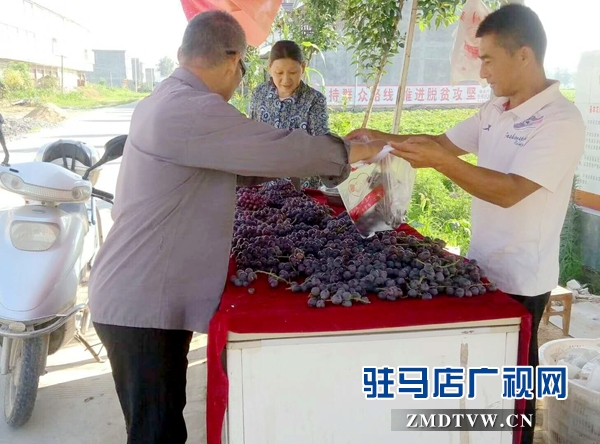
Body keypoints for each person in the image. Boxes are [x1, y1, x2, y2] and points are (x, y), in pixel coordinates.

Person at [87, 11, 389, 444]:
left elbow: (236, 167)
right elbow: (276, 150)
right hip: (140, 302)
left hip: (142, 293)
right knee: (156, 432)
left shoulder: (168, 98)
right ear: (234, 60)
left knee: (163, 423)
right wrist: (350, 151)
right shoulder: (191, 109)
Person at [347, 5, 585, 443]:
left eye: (489, 59)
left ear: (524, 56)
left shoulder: (560, 122)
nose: (483, 72)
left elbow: (510, 190)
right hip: (482, 264)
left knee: (516, 381)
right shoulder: (496, 109)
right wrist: (378, 141)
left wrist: (441, 163)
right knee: (485, 373)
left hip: (522, 275)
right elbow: (441, 143)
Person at [249, 40, 329, 189]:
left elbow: (321, 144)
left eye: (292, 72)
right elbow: (253, 134)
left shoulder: (314, 100)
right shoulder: (259, 94)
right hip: (264, 185)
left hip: (302, 189)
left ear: (303, 68)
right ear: (269, 69)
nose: (285, 80)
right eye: (279, 73)